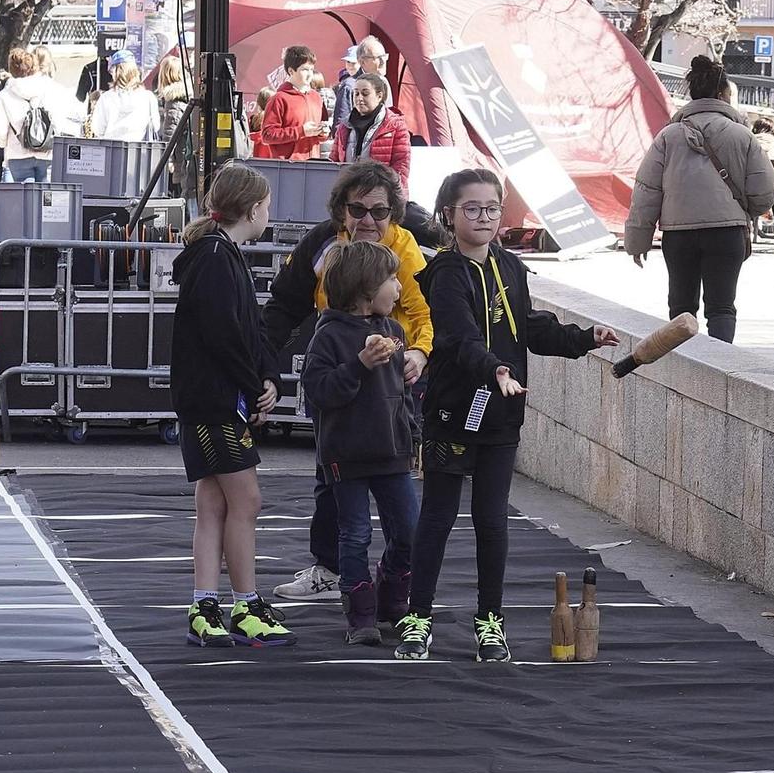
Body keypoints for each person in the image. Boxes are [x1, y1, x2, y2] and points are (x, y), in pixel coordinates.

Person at [398, 168, 619, 662]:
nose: (483, 217)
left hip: (501, 414)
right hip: (454, 412)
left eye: (492, 209)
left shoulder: (511, 267)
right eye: (471, 209)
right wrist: (494, 367)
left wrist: (584, 338)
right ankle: (418, 617)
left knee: (492, 520)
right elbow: (458, 338)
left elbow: (530, 328)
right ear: (448, 216)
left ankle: (489, 621)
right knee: (437, 516)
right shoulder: (444, 274)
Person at [264, 162, 432, 604]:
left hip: (391, 389)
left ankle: (393, 578)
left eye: (379, 212)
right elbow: (283, 305)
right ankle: (330, 568)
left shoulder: (406, 250)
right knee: (331, 484)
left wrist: (419, 352)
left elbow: (423, 313)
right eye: (357, 210)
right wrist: (259, 366)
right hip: (336, 375)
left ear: (394, 213)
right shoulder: (321, 243)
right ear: (341, 210)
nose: (368, 221)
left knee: (402, 505)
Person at [170, 163, 295, 650]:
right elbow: (224, 335)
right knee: (246, 500)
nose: (269, 213)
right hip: (213, 402)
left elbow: (250, 328)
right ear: (253, 208)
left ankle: (205, 604)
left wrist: (266, 375)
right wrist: (254, 381)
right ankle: (245, 602)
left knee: (214, 501)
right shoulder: (217, 258)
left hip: (213, 398)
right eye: (266, 205)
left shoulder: (222, 254)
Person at [301, 240, 420, 646]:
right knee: (354, 535)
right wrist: (359, 365)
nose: (399, 289)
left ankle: (392, 597)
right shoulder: (329, 336)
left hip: (392, 452)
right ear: (366, 290)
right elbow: (318, 391)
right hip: (346, 456)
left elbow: (402, 396)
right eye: (392, 280)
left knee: (408, 530)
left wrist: (412, 435)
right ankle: (361, 612)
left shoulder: (393, 329)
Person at [624, 54, 774, 344]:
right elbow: (764, 190)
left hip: (679, 236)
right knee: (721, 307)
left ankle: (687, 367)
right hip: (727, 233)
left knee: (681, 307)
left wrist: (637, 241)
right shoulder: (742, 135)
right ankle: (719, 367)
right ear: (723, 94)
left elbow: (646, 192)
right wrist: (745, 210)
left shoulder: (668, 137)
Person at [0, 47, 83, 182]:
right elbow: (66, 120)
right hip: (49, 152)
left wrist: (5, 143)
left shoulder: (5, 94)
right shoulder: (54, 88)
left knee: (23, 200)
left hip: (18, 153)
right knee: (47, 199)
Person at [332, 72, 412, 188]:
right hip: (348, 193)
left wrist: (387, 195)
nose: (359, 98)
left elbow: (401, 167)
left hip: (381, 196)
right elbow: (334, 161)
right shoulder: (344, 125)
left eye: (365, 93)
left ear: (379, 96)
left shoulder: (395, 126)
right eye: (356, 94)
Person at [260, 46, 326, 161]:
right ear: (291, 71)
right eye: (305, 69)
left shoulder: (317, 97)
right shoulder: (278, 99)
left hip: (314, 164)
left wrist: (323, 132)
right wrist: (301, 131)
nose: (310, 74)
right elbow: (267, 135)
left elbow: (321, 133)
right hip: (288, 167)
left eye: (311, 69)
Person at [93, 51, 161, 141]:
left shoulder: (106, 98)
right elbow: (156, 126)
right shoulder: (148, 97)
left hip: (111, 150)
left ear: (116, 72)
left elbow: (98, 129)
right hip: (141, 151)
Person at [333, 39, 387, 138]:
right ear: (362, 62)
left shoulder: (384, 83)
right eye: (378, 58)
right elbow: (340, 127)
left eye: (384, 57)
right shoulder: (349, 86)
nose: (383, 62)